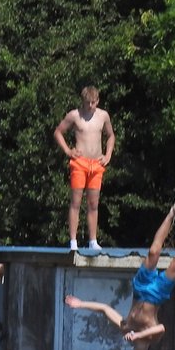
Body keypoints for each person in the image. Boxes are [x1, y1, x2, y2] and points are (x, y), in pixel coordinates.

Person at [64, 201, 175, 350]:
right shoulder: (152, 336)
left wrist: (80, 303)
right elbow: (161, 329)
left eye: (134, 348)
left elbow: (105, 309)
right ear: (147, 348)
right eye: (137, 349)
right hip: (157, 295)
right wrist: (139, 335)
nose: (133, 346)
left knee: (153, 252)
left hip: (140, 289)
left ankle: (172, 212)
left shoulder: (126, 328)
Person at [53, 85, 115, 251]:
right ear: (83, 101)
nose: (90, 106)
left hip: (96, 163)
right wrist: (68, 151)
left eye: (93, 103)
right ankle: (73, 241)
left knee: (93, 203)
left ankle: (93, 240)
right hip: (80, 163)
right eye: (88, 103)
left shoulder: (103, 116)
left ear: (98, 101)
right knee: (76, 202)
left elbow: (111, 136)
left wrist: (108, 154)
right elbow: (58, 132)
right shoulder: (75, 115)